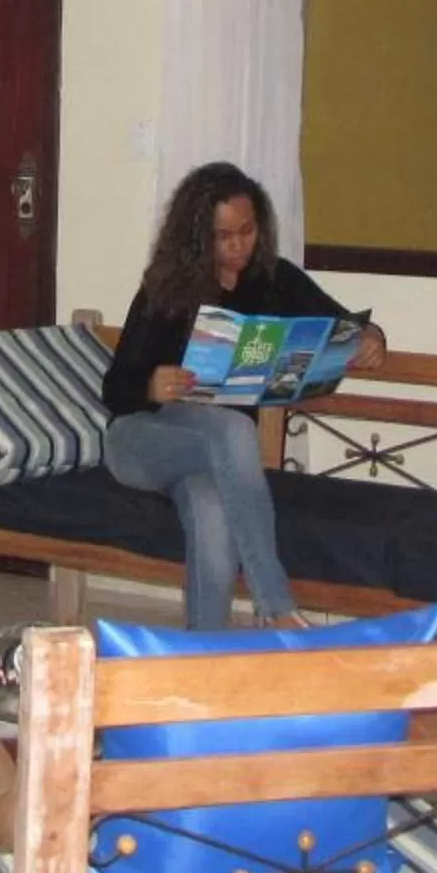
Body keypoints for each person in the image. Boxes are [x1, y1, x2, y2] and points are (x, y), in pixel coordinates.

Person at [102, 162, 387, 630]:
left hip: (214, 460)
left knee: (212, 509)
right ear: (197, 236)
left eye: (247, 231)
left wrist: (371, 336)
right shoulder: (166, 288)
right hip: (142, 440)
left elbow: (341, 326)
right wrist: (151, 384)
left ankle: (203, 659)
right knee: (234, 428)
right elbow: (115, 391)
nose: (238, 245)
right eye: (223, 236)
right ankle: (276, 605)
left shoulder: (275, 280)